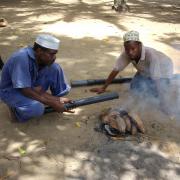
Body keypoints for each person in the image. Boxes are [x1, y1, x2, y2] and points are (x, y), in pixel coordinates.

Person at [90, 30, 175, 115]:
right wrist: (103, 88)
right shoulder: (126, 53)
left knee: (155, 91)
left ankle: (166, 86)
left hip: (163, 70)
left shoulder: (151, 56)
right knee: (135, 87)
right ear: (124, 47)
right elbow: (116, 70)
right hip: (145, 71)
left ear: (139, 45)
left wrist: (164, 104)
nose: (130, 52)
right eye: (127, 49)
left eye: (133, 49)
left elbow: (157, 79)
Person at [0, 34, 73, 122]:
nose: (54, 57)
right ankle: (15, 112)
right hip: (12, 90)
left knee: (54, 67)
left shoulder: (39, 57)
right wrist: (52, 102)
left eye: (55, 54)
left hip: (29, 85)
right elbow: (25, 90)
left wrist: (57, 99)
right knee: (37, 108)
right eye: (52, 54)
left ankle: (45, 97)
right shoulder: (21, 58)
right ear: (39, 50)